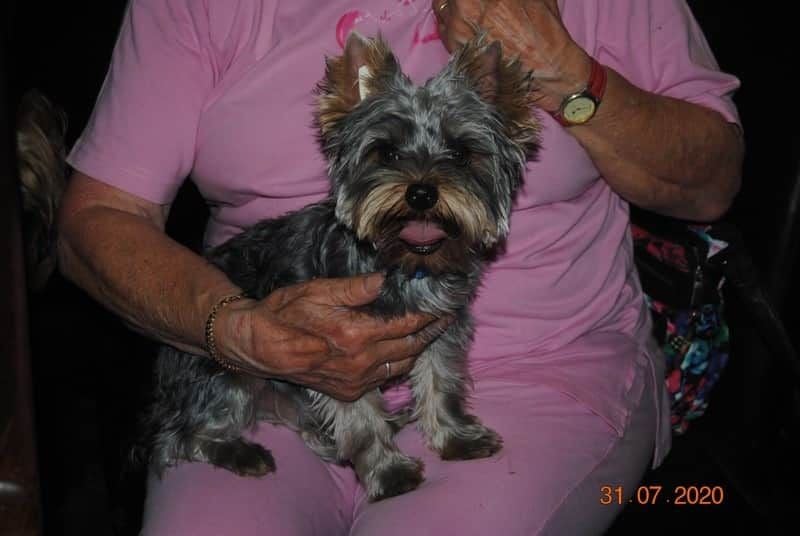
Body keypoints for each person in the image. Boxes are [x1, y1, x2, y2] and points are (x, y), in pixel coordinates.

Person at [57, 0, 743, 534]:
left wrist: (567, 72)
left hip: (542, 367)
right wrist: (237, 329)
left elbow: (713, 184)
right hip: (261, 366)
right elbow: (96, 220)